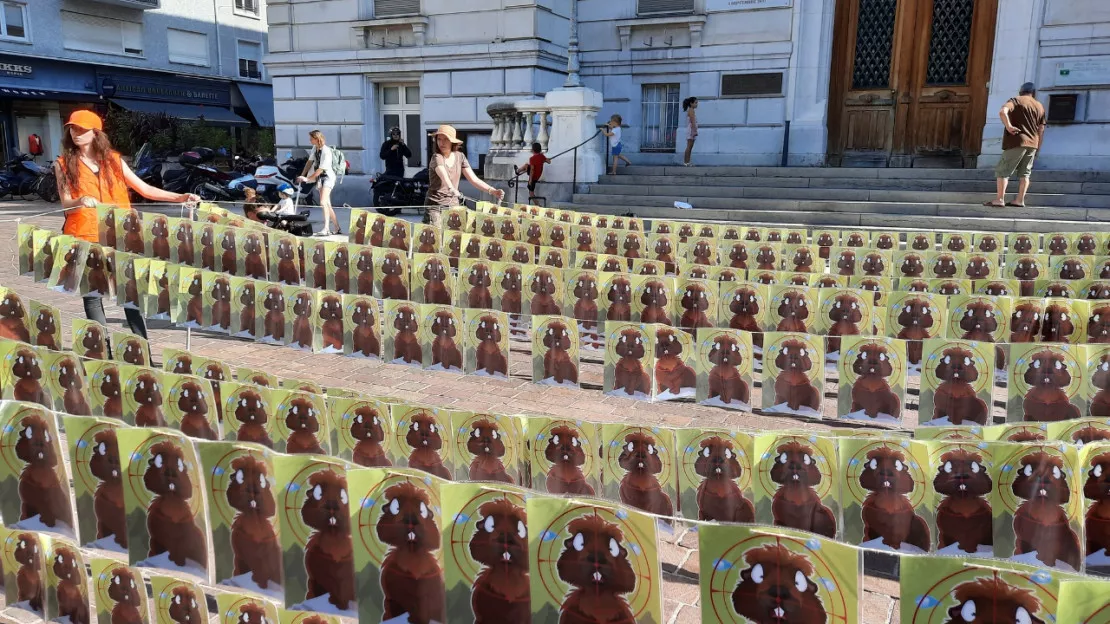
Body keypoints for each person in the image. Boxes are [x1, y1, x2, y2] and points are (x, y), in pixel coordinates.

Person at [53, 109, 199, 343]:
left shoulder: (114, 161)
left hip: (120, 234)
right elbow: (66, 205)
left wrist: (179, 197)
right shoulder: (62, 164)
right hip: (84, 234)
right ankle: (103, 350)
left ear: (95, 132)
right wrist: (79, 201)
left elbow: (145, 189)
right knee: (92, 295)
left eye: (81, 129)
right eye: (72, 128)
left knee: (130, 294)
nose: (75, 133)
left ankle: (141, 347)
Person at [424, 124, 504, 227]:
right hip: (434, 206)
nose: (441, 143)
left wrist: (492, 190)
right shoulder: (436, 157)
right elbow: (443, 174)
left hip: (453, 203)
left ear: (452, 141)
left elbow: (474, 179)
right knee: (436, 236)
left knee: (454, 237)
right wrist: (451, 188)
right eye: (439, 139)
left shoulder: (460, 156)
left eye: (445, 139)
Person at [985, 82, 1046, 208]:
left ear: (1020, 91)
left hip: (1017, 141)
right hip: (1032, 143)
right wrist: (1038, 147)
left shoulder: (1016, 101)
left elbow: (1003, 112)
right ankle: (1019, 200)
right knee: (1025, 173)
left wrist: (1009, 126)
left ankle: (1000, 199)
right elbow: (1041, 129)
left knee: (1003, 171)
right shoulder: (1039, 106)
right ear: (1033, 93)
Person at [296, 129, 341, 236]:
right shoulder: (315, 148)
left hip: (328, 177)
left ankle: (326, 229)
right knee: (327, 204)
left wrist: (308, 179)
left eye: (311, 139)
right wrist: (302, 174)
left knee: (323, 202)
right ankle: (337, 227)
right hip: (320, 178)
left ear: (317, 139)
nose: (310, 140)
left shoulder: (326, 151)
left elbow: (321, 169)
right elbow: (309, 162)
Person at [682, 97, 698, 166]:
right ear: (691, 103)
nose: (697, 104)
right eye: (695, 103)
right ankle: (686, 162)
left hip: (692, 129)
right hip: (691, 130)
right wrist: (694, 131)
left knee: (690, 147)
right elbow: (692, 121)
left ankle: (688, 162)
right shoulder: (691, 110)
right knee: (689, 146)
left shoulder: (691, 110)